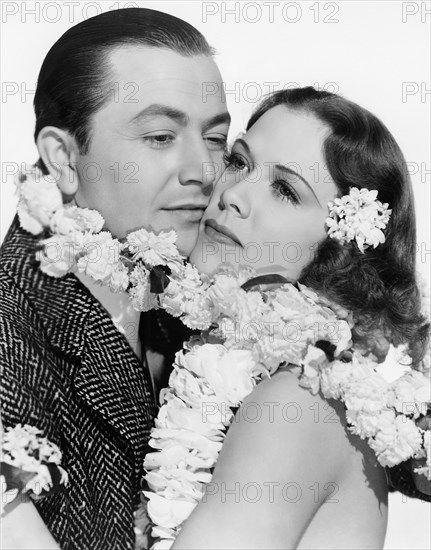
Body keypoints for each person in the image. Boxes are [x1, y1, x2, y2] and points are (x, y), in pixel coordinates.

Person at [161, 87, 430, 549]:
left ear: (342, 248)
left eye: (285, 189)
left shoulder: (301, 400)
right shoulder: (222, 355)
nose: (234, 195)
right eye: (239, 162)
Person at [0, 8, 229, 550]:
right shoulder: (11, 327)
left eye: (217, 138)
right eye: (158, 136)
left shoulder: (186, 306)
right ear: (63, 158)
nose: (203, 169)